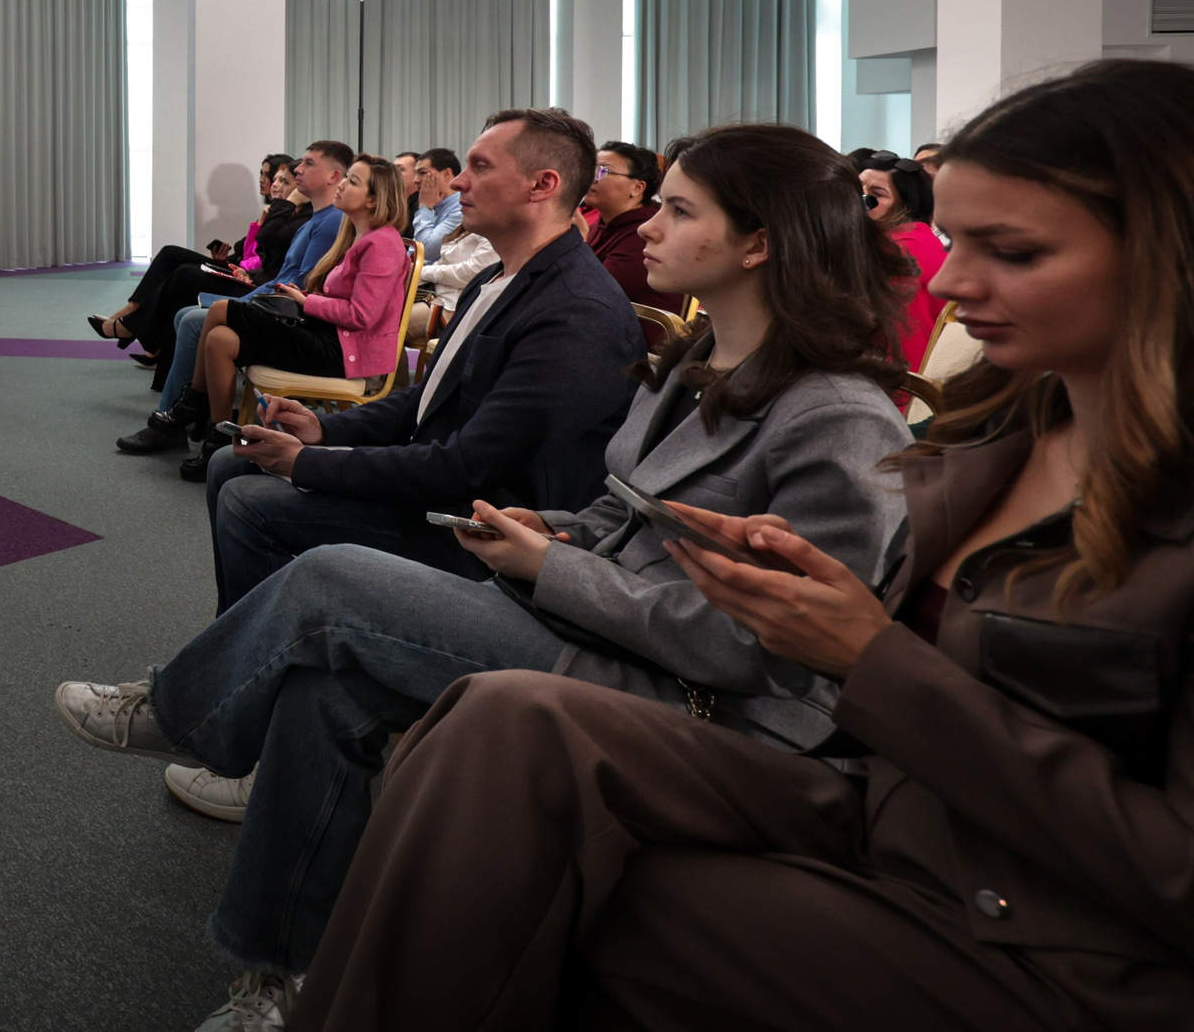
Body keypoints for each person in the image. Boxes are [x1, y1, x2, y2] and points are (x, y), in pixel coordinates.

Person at [282, 58, 1194, 1032]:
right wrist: (786, 594)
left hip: (1032, 925)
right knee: (501, 726)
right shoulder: (995, 431)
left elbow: (1163, 865)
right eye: (959, 237)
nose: (948, 276)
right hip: (876, 799)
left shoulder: (847, 414)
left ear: (1162, 255)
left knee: (495, 840)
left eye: (1007, 249)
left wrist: (864, 652)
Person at [54, 122, 914, 1032]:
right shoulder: (697, 365)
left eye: (677, 209)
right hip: (598, 626)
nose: (646, 224)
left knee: (331, 575)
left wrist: (557, 568)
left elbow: (766, 650)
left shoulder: (840, 422)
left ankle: (182, 712)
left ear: (760, 242)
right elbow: (625, 516)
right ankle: (287, 974)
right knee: (323, 693)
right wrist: (557, 532)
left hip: (703, 709)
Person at [199, 108, 642, 604]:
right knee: (229, 465)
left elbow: (467, 469)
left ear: (542, 184)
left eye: (480, 167)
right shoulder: (497, 276)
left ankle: (237, 670)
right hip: (444, 488)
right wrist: (325, 431)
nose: (460, 184)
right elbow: (428, 399)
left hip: (479, 531)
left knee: (247, 499)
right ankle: (239, 658)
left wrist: (307, 464)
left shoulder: (576, 312)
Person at [117, 144, 350, 457]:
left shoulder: (331, 221)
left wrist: (249, 301)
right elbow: (282, 272)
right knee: (188, 312)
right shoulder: (316, 219)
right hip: (276, 302)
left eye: (309, 163)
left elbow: (301, 284)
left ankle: (180, 418)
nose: (297, 170)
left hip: (293, 316)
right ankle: (190, 418)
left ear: (334, 176)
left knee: (194, 318)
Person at [194, 156, 412, 424]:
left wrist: (305, 301)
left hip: (345, 352)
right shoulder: (358, 235)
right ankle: (218, 431)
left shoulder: (382, 243)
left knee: (221, 309)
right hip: (329, 335)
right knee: (219, 340)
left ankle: (191, 404)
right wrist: (306, 298)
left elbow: (361, 315)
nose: (342, 185)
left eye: (352, 181)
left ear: (373, 200)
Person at [92, 155, 292, 350]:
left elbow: (259, 258)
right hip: (240, 269)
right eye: (266, 175)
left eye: (276, 178)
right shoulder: (272, 211)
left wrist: (258, 229)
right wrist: (227, 259)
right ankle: (134, 319)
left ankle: (132, 322)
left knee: (183, 270)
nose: (267, 181)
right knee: (172, 255)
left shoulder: (283, 215)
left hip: (248, 278)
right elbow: (250, 252)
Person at [863, 151, 947, 367]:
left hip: (893, 385)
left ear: (905, 206)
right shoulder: (920, 237)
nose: (860, 200)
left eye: (877, 194)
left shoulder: (897, 249)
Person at [582, 140, 663, 310]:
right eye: (592, 169)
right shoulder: (599, 226)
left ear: (637, 188)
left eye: (603, 171)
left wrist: (577, 244)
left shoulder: (645, 234)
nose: (592, 178)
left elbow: (594, 294)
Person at [407, 147, 463, 260]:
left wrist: (424, 208)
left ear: (447, 174)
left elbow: (425, 251)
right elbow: (411, 254)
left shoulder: (461, 209)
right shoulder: (434, 205)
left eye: (422, 173)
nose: (416, 180)